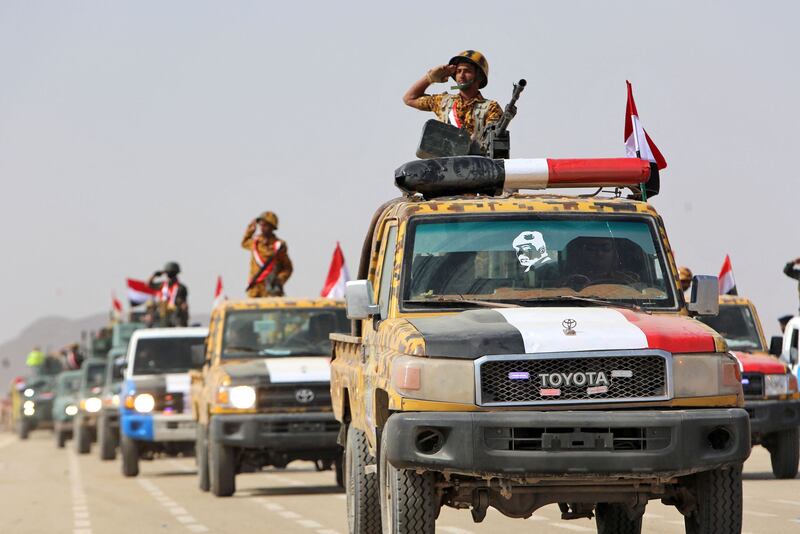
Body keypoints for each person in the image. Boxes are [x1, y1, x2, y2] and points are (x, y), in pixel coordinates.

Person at [402, 50, 503, 139]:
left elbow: (493, 140)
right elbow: (409, 98)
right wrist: (430, 78)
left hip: (475, 161)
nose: (461, 76)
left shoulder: (491, 108)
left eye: (467, 71)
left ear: (479, 76)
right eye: (458, 71)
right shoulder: (443, 102)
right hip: (446, 160)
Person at [242, 211, 293, 297]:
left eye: (265, 225)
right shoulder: (256, 242)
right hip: (255, 289)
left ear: (272, 227)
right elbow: (244, 243)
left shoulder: (279, 246)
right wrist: (250, 230)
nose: (262, 227)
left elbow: (288, 268)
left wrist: (279, 280)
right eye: (261, 224)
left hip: (270, 289)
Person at [148, 262, 189, 327]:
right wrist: (155, 275)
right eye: (169, 274)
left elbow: (184, 303)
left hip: (176, 313)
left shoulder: (181, 287)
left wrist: (183, 308)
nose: (170, 276)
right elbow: (149, 284)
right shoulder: (162, 285)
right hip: (163, 314)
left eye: (172, 274)